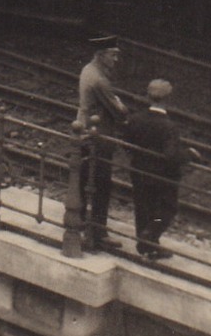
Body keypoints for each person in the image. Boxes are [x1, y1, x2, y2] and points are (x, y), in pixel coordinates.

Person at [123, 80, 201, 260]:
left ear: (148, 96)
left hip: (139, 171)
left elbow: (127, 144)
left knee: (143, 207)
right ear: (168, 100)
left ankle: (147, 246)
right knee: (167, 208)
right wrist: (189, 154)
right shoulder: (169, 126)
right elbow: (171, 155)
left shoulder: (135, 119)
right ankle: (150, 236)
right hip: (161, 176)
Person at [73, 35, 130, 249]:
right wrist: (121, 107)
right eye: (113, 55)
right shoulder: (99, 79)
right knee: (101, 183)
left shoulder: (89, 70)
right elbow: (118, 112)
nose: (116, 59)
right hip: (98, 137)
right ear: (101, 54)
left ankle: (78, 223)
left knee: (84, 179)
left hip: (85, 131)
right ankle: (98, 232)